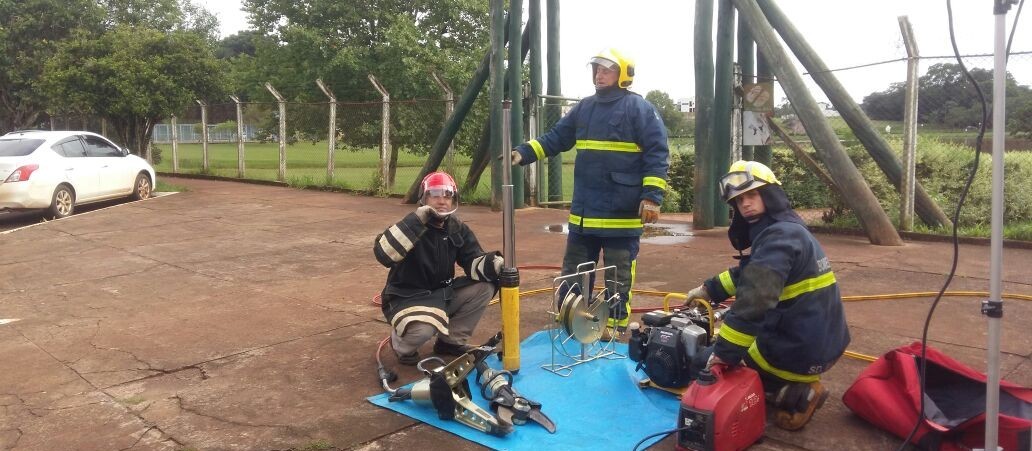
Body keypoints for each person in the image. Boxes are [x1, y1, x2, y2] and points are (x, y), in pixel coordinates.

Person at [509, 48, 670, 339]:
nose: (599, 75)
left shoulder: (640, 109)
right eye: (597, 70)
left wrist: (652, 197)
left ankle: (614, 326)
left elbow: (657, 153)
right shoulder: (585, 107)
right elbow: (557, 138)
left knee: (618, 274)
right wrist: (524, 152)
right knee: (575, 272)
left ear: (623, 74)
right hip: (585, 213)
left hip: (622, 213)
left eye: (606, 70)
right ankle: (573, 321)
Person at [685, 160, 850, 431]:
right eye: (739, 200)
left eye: (752, 195)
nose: (746, 204)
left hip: (794, 347)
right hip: (819, 340)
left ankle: (793, 395)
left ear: (770, 194)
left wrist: (723, 355)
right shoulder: (787, 229)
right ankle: (789, 385)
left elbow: (754, 302)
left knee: (702, 363)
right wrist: (710, 289)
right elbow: (753, 272)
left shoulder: (778, 237)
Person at [373, 171, 503, 365]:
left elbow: (473, 260)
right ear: (424, 198)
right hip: (406, 298)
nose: (442, 201)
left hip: (441, 294)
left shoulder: (456, 227)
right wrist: (416, 221)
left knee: (485, 287)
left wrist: (496, 265)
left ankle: (450, 342)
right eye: (434, 195)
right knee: (424, 330)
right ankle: (401, 345)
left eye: (447, 195)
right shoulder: (408, 227)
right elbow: (383, 255)